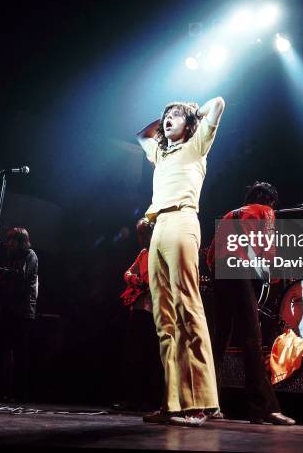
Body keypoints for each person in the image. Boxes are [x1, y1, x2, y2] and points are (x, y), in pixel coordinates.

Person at [136, 97, 225, 426]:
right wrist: (167, 119)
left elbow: (218, 103)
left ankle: (201, 403)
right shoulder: (161, 154)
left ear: (189, 126)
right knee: (164, 320)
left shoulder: (197, 145)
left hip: (183, 223)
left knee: (188, 308)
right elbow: (141, 135)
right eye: (166, 117)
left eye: (175, 117)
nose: (169, 120)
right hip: (157, 228)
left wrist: (192, 114)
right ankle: (172, 401)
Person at [206, 181, 295, 425]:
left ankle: (208, 403)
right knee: (251, 338)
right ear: (271, 201)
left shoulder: (228, 215)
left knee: (219, 339)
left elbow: (211, 254)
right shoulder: (265, 212)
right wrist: (273, 274)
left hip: (220, 275)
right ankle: (262, 408)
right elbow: (268, 247)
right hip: (240, 271)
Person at [114, 218, 163, 411]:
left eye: (144, 233)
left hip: (154, 310)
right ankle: (132, 398)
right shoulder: (143, 253)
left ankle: (152, 400)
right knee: (133, 355)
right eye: (139, 234)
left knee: (153, 356)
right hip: (139, 308)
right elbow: (127, 273)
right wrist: (135, 280)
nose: (141, 238)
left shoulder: (160, 252)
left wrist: (144, 282)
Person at [0, 227, 39, 402]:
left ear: (22, 242)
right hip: (9, 309)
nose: (9, 243)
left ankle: (19, 394)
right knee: (2, 351)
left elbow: (22, 276)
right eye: (8, 240)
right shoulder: (11, 257)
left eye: (13, 240)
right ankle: (1, 391)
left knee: (19, 354)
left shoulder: (30, 255)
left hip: (23, 312)